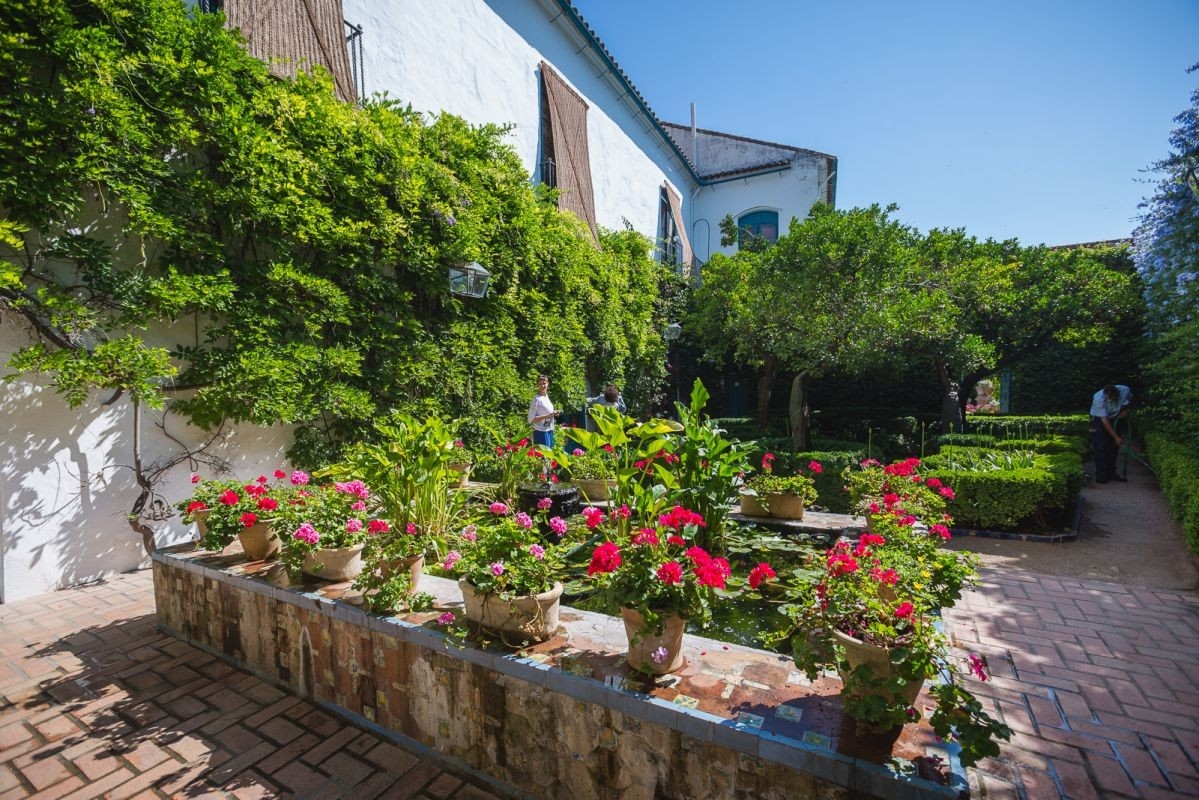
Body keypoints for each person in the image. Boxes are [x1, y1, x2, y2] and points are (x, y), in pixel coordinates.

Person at [1089, 384, 1131, 484]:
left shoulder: (1125, 390)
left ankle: (1111, 472)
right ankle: (1101, 474)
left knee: (1114, 446)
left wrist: (1126, 410)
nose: (1111, 400)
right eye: (1109, 398)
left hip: (1115, 417)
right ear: (1105, 394)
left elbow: (1129, 401)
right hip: (1099, 419)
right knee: (1100, 446)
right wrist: (1116, 437)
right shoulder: (1098, 398)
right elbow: (1104, 421)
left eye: (1114, 398)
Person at [528, 374, 556, 448]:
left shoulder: (546, 396)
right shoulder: (536, 400)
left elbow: (547, 411)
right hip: (540, 432)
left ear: (548, 383)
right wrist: (546, 416)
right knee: (543, 456)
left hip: (549, 429)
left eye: (544, 383)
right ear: (537, 385)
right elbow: (531, 419)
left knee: (549, 455)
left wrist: (554, 413)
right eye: (540, 384)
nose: (543, 386)